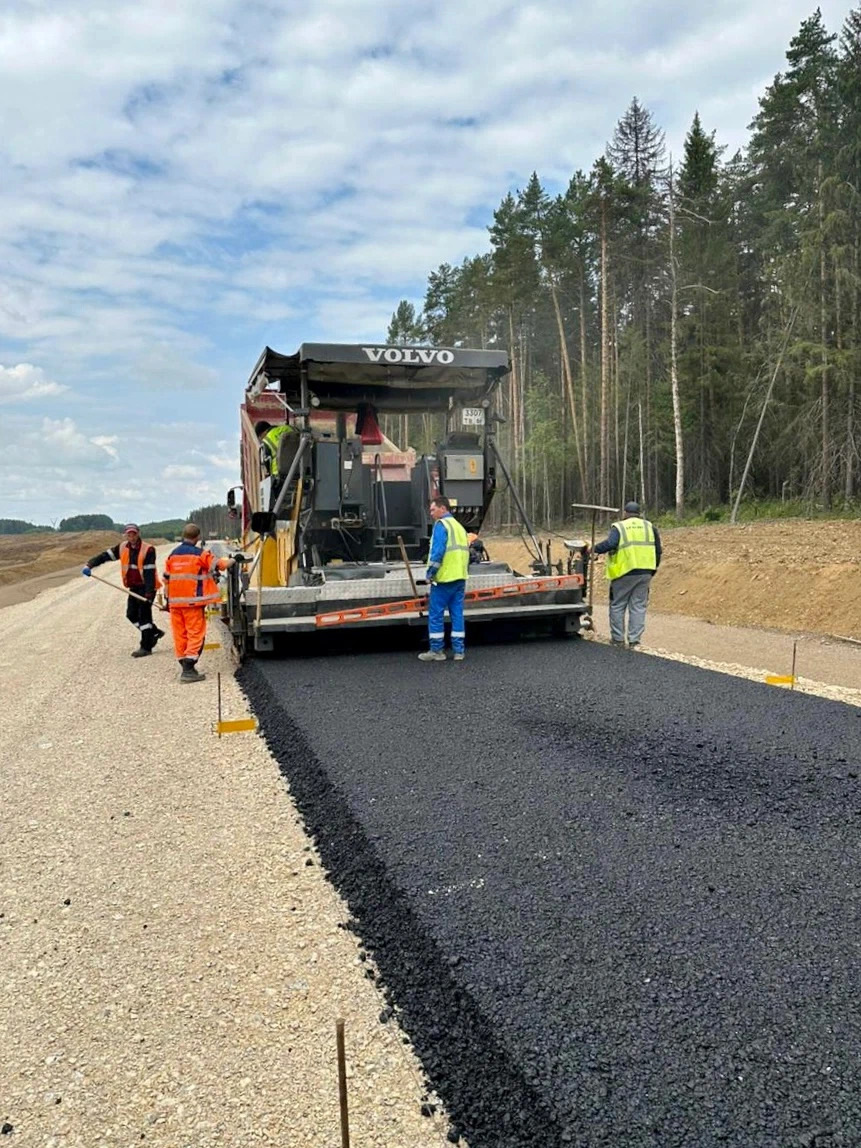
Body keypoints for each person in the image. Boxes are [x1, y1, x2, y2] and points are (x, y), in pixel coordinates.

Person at [163, 523, 236, 683]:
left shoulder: (172, 555)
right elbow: (221, 565)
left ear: (184, 536)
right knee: (195, 633)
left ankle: (184, 664)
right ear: (197, 538)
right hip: (193, 604)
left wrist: (166, 600)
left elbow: (166, 579)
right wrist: (234, 560)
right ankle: (189, 668)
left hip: (175, 604)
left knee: (180, 634)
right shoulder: (199, 554)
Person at [81, 524, 165, 657]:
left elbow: (149, 572)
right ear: (126, 535)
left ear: (138, 533)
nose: (131, 537)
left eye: (134, 534)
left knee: (144, 616)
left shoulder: (148, 549)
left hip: (147, 586)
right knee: (131, 614)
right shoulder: (122, 547)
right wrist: (90, 564)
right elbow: (104, 556)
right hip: (134, 587)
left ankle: (146, 646)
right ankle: (153, 632)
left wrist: (149, 593)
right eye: (129, 534)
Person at [592, 501, 661, 648]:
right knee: (638, 606)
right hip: (645, 572)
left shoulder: (619, 527)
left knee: (618, 605)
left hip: (624, 572)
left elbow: (611, 544)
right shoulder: (650, 527)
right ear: (639, 513)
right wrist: (653, 569)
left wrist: (594, 549)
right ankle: (634, 641)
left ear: (625, 513)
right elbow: (658, 550)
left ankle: (618, 640)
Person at [419, 496, 470, 663]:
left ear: (443, 508)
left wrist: (430, 573)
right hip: (460, 578)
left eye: (433, 510)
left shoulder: (441, 526)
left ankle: (437, 651)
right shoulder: (459, 527)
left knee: (436, 614)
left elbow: (438, 552)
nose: (431, 513)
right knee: (457, 614)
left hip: (444, 578)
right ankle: (459, 651)